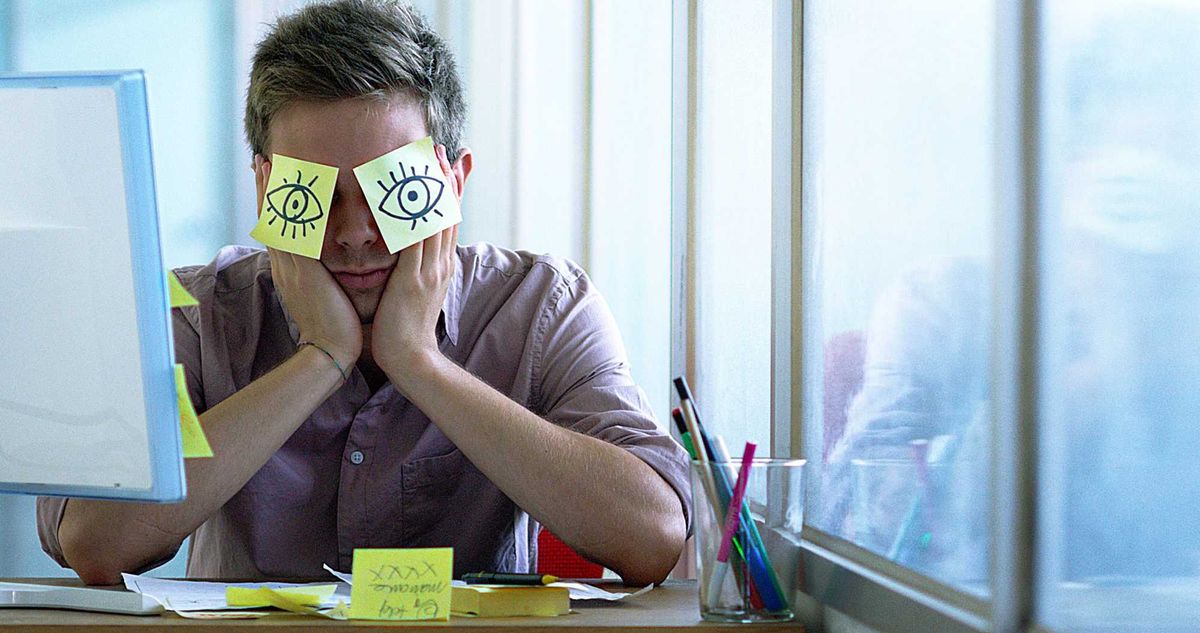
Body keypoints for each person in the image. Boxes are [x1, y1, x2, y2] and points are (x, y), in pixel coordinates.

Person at [36, 0, 690, 586]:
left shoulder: (543, 307)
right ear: (267, 190)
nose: (353, 233)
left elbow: (653, 535)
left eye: (393, 191)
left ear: (452, 183)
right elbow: (92, 539)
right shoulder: (190, 312)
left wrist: (420, 363)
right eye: (314, 193)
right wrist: (320, 357)